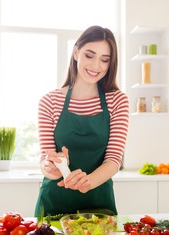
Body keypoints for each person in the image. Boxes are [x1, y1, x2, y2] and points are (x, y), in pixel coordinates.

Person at [34, 26, 129, 217]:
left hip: (99, 204)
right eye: (89, 55)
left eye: (104, 60)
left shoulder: (117, 101)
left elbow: (114, 159)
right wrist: (53, 166)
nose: (96, 66)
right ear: (76, 52)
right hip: (54, 205)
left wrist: (87, 182)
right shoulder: (49, 101)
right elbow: (46, 159)